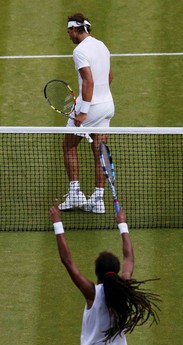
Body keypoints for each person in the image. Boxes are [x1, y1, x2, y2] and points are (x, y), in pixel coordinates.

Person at [49, 204, 160, 345]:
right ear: (116, 270)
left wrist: (57, 222)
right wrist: (122, 224)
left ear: (96, 273)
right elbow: (129, 258)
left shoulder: (92, 293)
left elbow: (67, 261)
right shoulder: (124, 288)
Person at [59, 13, 115, 214]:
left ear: (75, 29)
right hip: (107, 104)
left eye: (68, 31)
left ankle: (75, 194)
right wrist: (100, 100)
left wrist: (84, 112)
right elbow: (109, 76)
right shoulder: (102, 46)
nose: (68, 35)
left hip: (89, 107)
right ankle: (98, 199)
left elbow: (88, 81)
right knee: (99, 151)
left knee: (68, 146)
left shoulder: (79, 51)